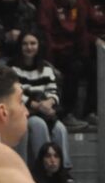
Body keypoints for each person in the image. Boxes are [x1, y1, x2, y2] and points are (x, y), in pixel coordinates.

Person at [9, 30, 72, 166]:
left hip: (45, 110)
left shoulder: (46, 68)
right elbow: (15, 92)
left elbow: (53, 91)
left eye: (33, 43)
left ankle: (64, 169)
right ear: (20, 46)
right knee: (38, 125)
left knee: (60, 129)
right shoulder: (12, 68)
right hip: (26, 112)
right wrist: (36, 105)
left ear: (39, 46)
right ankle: (42, 168)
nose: (29, 47)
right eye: (25, 44)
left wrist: (49, 103)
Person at [38, 0, 90, 130]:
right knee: (73, 68)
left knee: (91, 65)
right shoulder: (48, 3)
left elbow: (81, 32)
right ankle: (66, 114)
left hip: (71, 50)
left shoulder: (77, 6)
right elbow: (45, 33)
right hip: (53, 52)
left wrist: (85, 54)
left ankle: (90, 112)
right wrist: (50, 63)